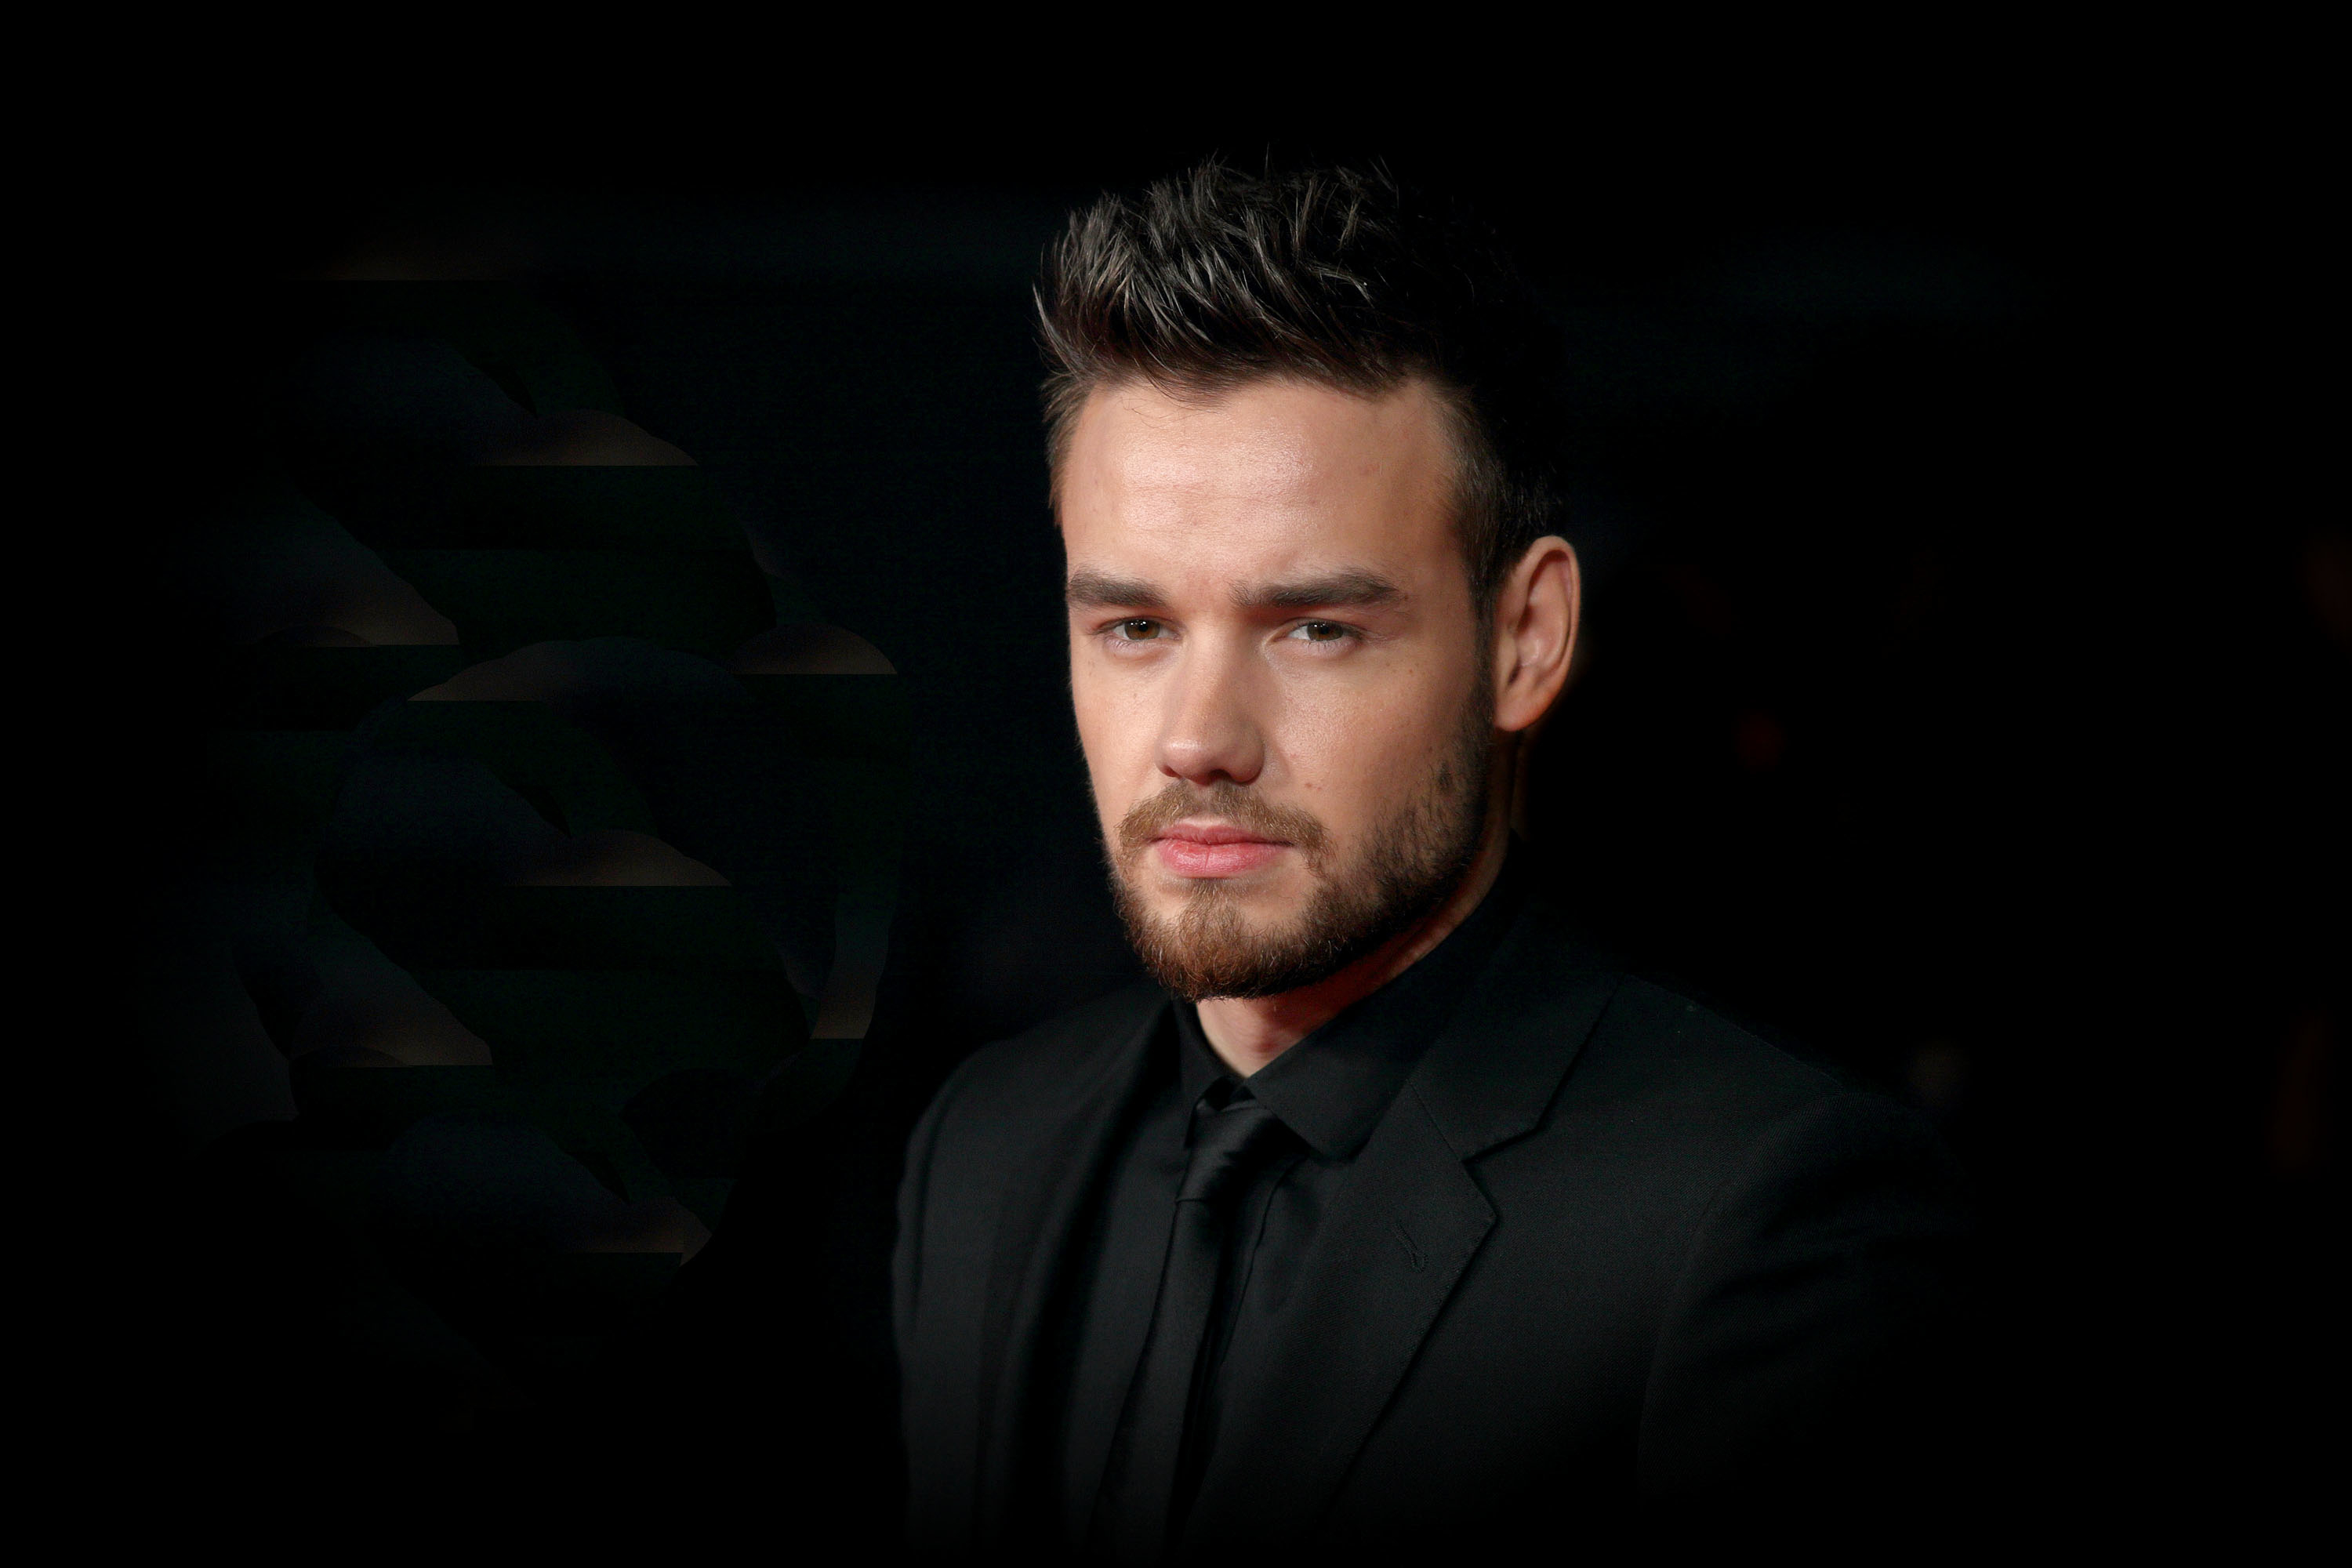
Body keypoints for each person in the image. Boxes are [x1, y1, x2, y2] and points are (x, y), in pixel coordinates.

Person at [892, 162, 1973, 1560]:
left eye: (1316, 629)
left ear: (1526, 639)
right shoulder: (986, 1147)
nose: (1198, 743)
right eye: (1135, 628)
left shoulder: (1762, 1220)